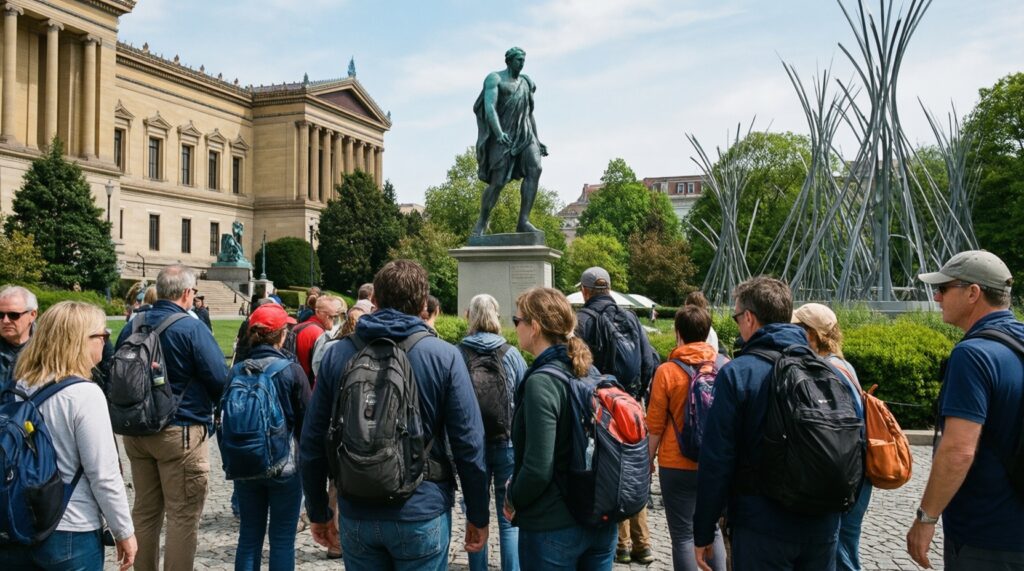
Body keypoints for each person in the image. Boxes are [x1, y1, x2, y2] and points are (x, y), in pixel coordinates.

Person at [301, 260, 490, 569]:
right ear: (423, 304)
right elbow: (469, 443)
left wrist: (319, 510)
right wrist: (478, 514)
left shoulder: (338, 353)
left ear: (374, 300)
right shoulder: (444, 356)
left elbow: (311, 441)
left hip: (357, 509)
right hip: (421, 507)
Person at [693, 276, 861, 571]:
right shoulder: (828, 372)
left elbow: (717, 459)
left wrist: (704, 530)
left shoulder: (739, 373)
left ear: (749, 318)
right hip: (823, 525)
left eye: (736, 317)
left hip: (762, 527)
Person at [908, 250, 1024, 570]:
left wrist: (926, 518)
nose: (937, 297)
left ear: (973, 293)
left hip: (986, 537)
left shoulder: (973, 355)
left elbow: (959, 450)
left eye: (944, 288)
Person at [0, 301, 137, 571]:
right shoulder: (84, 394)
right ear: (79, 341)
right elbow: (104, 474)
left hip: (17, 520)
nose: (105, 342)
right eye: (102, 335)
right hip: (71, 526)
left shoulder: (18, 385)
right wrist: (124, 531)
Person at [114, 265, 230, 571]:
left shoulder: (133, 324)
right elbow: (220, 378)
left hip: (137, 429)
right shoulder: (191, 328)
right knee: (182, 515)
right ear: (188, 293)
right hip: (180, 430)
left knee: (145, 511)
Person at [507, 287, 617, 569]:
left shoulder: (542, 382)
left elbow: (537, 469)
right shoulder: (588, 371)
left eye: (517, 320)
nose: (515, 327)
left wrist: (511, 497)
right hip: (599, 518)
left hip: (552, 526)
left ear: (534, 327)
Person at [573, 266, 658, 565]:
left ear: (585, 291)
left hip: (601, 407)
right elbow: (648, 361)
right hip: (631, 404)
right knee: (633, 466)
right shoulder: (630, 317)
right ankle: (643, 544)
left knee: (611, 469)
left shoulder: (582, 320)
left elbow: (576, 369)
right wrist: (635, 398)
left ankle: (621, 544)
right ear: (608, 289)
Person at [232, 303, 312, 571]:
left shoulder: (237, 370)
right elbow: (307, 422)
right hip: (284, 465)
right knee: (282, 539)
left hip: (246, 461)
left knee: (248, 537)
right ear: (282, 335)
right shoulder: (291, 371)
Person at [646, 305, 727, 570]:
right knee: (713, 528)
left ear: (678, 333)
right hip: (715, 461)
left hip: (676, 462)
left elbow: (655, 424)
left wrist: (648, 460)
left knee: (682, 535)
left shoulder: (667, 371)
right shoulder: (724, 366)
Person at [792, 302, 871, 571]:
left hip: (845, 475)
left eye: (797, 330)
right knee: (845, 548)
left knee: (841, 555)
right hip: (856, 471)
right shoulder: (843, 364)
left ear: (812, 335)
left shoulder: (827, 370)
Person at [459, 293, 528, 571]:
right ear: (496, 317)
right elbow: (523, 399)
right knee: (508, 517)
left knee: (475, 513)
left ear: (470, 316)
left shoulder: (458, 353)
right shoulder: (511, 354)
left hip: (471, 445)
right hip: (507, 442)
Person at [471, 47, 548, 237]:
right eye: (518, 60)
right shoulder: (494, 79)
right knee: (497, 183)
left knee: (536, 168)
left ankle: (523, 221)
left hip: (525, 133)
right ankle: (482, 222)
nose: (522, 63)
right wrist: (498, 133)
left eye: (523, 60)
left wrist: (537, 139)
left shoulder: (525, 83)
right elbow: (489, 107)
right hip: (504, 135)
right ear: (509, 61)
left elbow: (529, 114)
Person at [295, 295, 345, 382]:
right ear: (317, 312)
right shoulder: (319, 334)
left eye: (336, 317)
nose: (334, 321)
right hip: (306, 383)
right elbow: (318, 370)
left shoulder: (300, 326)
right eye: (332, 316)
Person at [0, 285, 38, 397]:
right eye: (0, 315)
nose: (5, 321)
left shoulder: (48, 349)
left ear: (32, 315)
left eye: (13, 315)